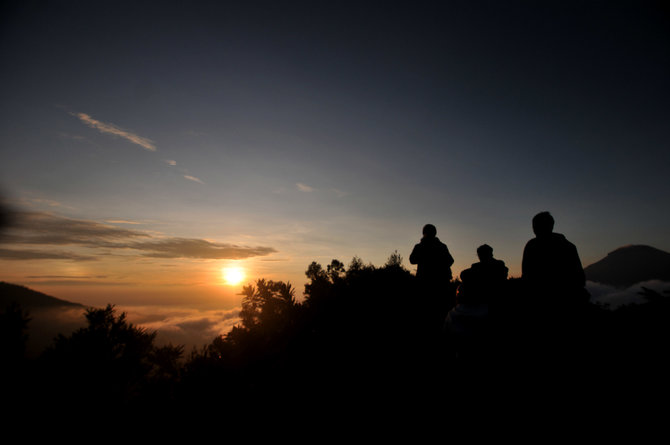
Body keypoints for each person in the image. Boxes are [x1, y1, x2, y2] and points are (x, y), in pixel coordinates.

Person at [521, 211, 586, 305]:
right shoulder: (568, 246)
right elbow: (580, 277)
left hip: (541, 298)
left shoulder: (532, 246)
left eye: (536, 226)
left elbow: (527, 275)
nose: (534, 229)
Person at [409, 224, 455, 329]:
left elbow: (412, 260)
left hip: (425, 284)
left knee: (425, 312)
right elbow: (451, 261)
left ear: (423, 233)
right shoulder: (442, 246)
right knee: (441, 312)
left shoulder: (420, 246)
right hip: (440, 284)